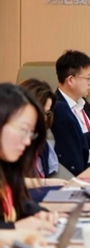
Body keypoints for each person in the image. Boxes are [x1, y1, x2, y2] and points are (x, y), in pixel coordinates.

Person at [0, 83, 57, 231]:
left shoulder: (7, 167)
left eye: (31, 133)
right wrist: (15, 228)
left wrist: (42, 213)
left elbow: (22, 203)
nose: (27, 141)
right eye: (23, 130)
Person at [51, 50, 90, 176]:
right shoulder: (56, 108)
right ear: (71, 80)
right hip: (79, 170)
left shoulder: (84, 103)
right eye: (88, 78)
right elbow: (65, 147)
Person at [19, 79, 67, 187]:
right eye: (40, 112)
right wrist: (46, 183)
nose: (44, 118)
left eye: (47, 113)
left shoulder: (42, 144)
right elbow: (7, 183)